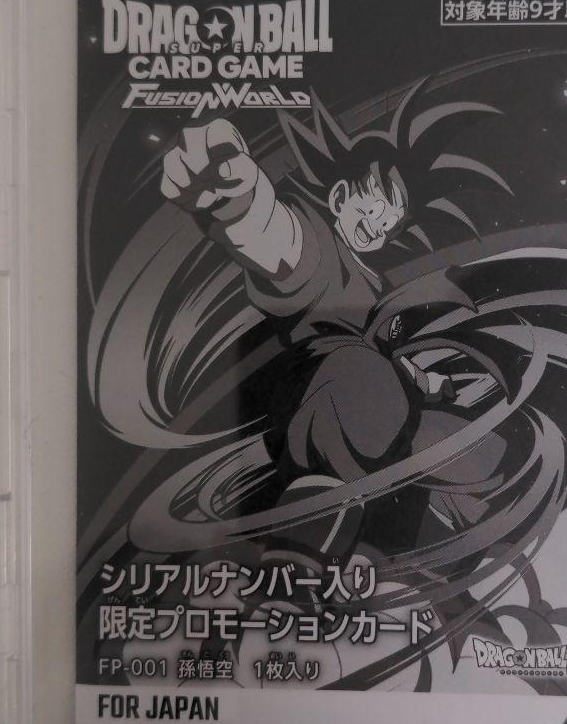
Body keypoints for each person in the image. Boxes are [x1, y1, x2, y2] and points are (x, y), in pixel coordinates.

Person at [159, 85, 508, 576]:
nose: (378, 227)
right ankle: (303, 549)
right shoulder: (317, 243)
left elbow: (391, 356)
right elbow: (275, 238)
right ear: (341, 195)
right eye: (373, 207)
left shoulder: (376, 287)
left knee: (455, 441)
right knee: (361, 379)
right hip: (323, 386)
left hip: (383, 404)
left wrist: (436, 384)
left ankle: (440, 559)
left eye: (389, 225)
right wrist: (239, 198)